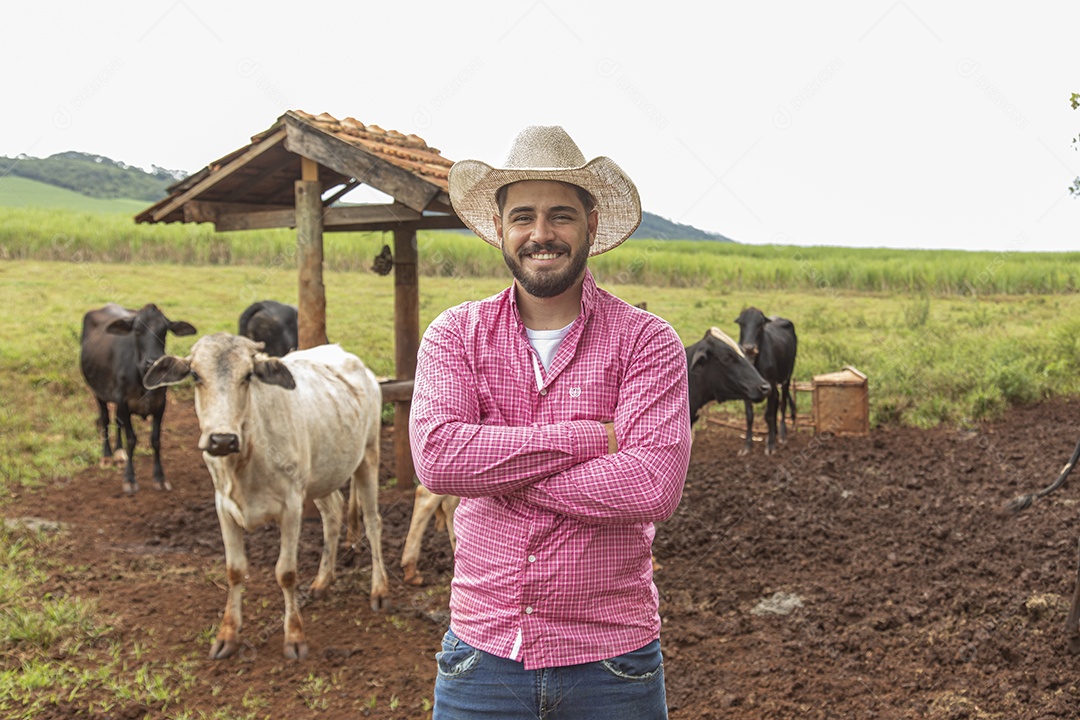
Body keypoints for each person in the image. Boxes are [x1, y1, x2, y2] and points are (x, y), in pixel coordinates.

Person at [409, 125, 692, 719]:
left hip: (611, 662)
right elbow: (437, 459)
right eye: (524, 217)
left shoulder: (647, 341)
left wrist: (492, 469)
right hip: (482, 656)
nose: (542, 234)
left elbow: (651, 486)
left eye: (561, 215)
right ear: (501, 228)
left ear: (591, 223)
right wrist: (592, 440)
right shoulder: (454, 335)